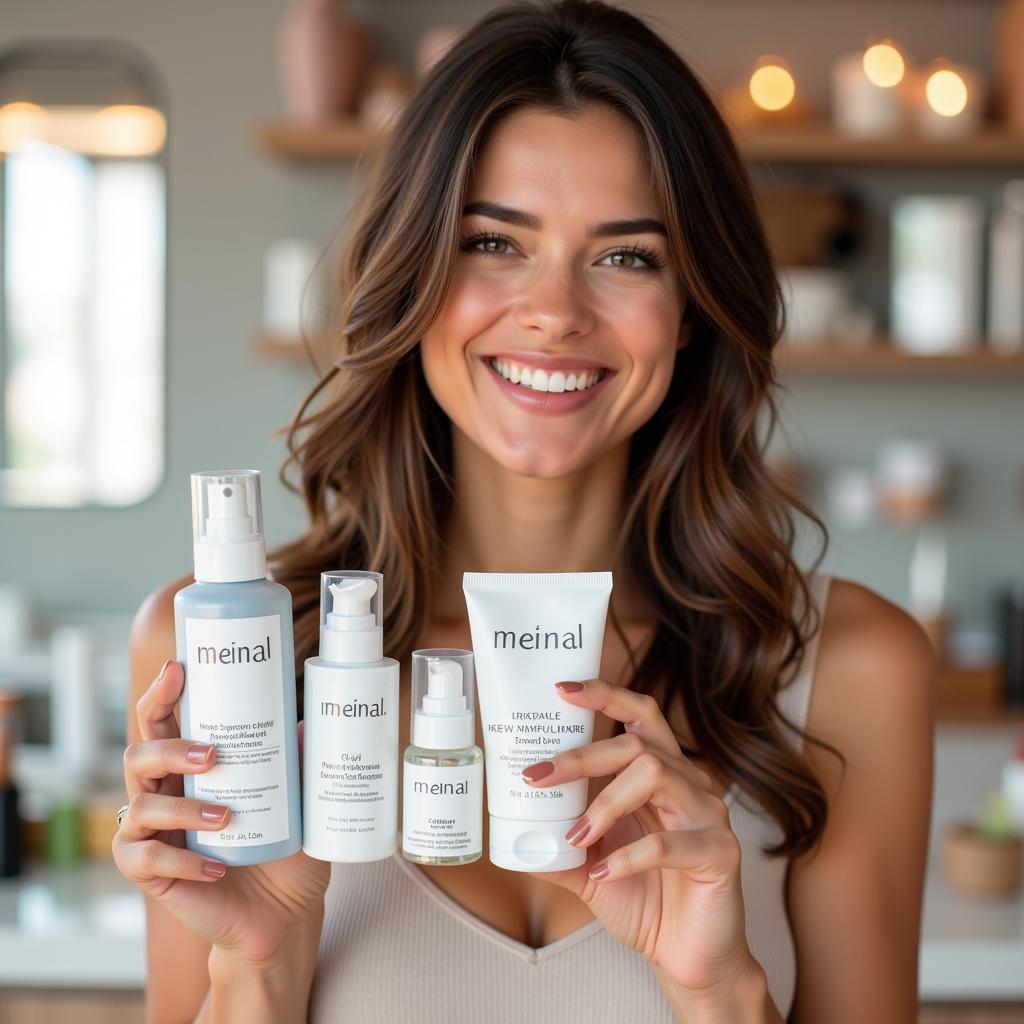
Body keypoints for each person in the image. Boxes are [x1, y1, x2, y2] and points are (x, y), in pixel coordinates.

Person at [113, 2, 935, 1021]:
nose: (555, 311)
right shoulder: (225, 657)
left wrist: (717, 989)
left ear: (690, 311)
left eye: (627, 255)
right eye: (494, 241)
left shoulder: (849, 671)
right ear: (410, 274)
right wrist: (260, 966)